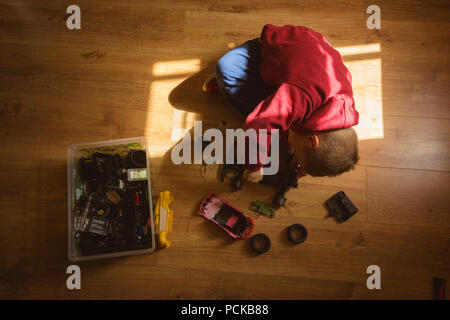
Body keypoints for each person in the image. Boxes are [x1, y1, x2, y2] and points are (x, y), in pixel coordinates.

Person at [203, 24, 360, 183]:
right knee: (227, 70)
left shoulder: (343, 110)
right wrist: (254, 167)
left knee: (281, 118)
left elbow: (300, 119)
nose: (295, 154)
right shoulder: (304, 96)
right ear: (312, 140)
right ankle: (223, 81)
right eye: (297, 152)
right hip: (269, 52)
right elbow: (258, 125)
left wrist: (302, 158)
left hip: (307, 56)